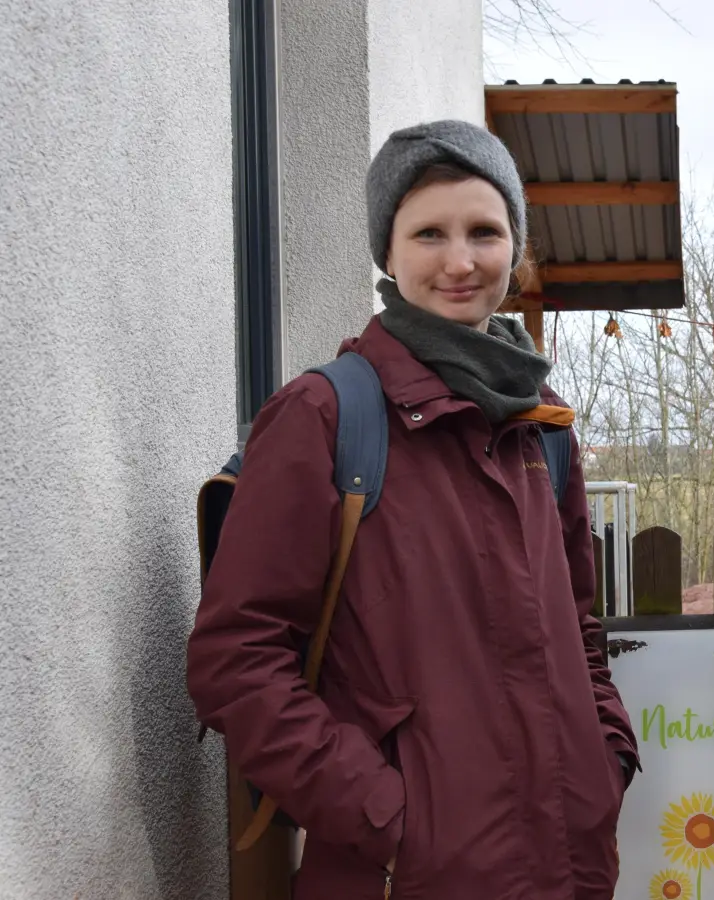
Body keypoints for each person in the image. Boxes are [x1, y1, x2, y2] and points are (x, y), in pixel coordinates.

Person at [188, 120, 637, 899]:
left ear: (514, 248)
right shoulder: (325, 415)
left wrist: (606, 760)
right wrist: (390, 821)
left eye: (484, 232)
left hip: (567, 867)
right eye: (428, 232)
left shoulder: (543, 423)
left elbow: (578, 627)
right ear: (387, 254)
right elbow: (236, 659)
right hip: (406, 877)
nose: (459, 261)